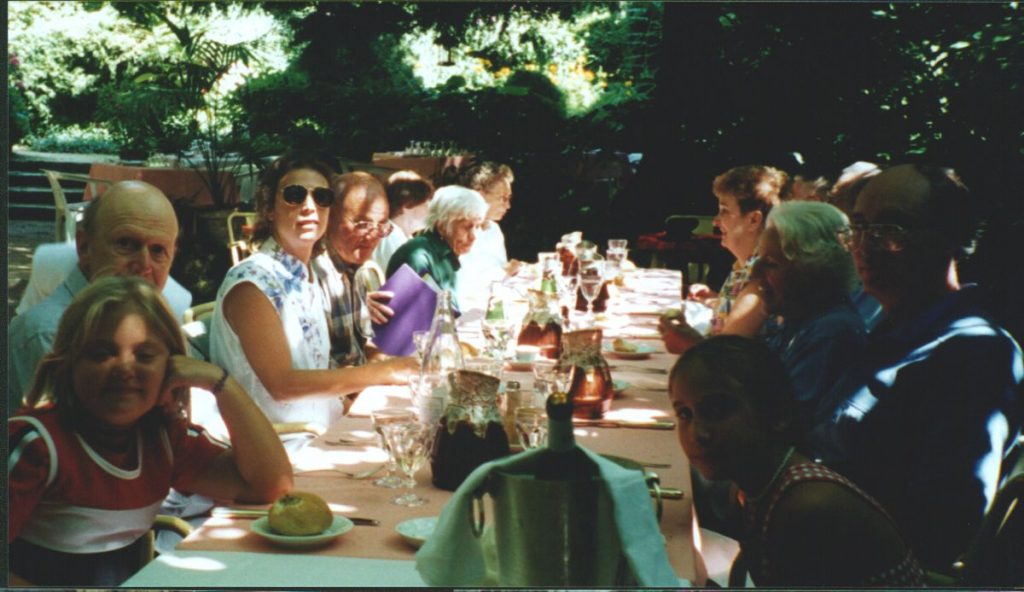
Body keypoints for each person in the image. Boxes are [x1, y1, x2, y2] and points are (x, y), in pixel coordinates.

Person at [8, 276, 292, 587]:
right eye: (101, 354)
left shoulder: (165, 441)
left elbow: (271, 484)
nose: (124, 368)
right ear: (68, 364)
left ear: (172, 368)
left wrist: (220, 383)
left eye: (145, 356)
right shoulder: (35, 446)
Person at [809, 164, 1023, 571]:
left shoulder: (974, 355)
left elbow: (944, 530)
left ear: (950, 242)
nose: (865, 245)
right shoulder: (886, 333)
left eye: (892, 228)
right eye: (859, 226)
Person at [669, 336, 923, 587]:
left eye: (716, 410)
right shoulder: (757, 486)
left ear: (778, 414)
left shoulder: (806, 508)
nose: (697, 433)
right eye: (684, 413)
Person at [208, 153, 418, 437]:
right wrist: (387, 371)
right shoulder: (252, 281)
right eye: (295, 195)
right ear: (269, 208)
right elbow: (283, 385)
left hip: (324, 428)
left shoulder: (304, 277)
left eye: (322, 198)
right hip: (284, 444)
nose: (310, 206)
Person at [8, 180, 181, 408]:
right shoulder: (52, 334)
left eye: (158, 250)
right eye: (126, 243)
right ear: (84, 247)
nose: (143, 264)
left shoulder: (144, 322)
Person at [750, 201, 866, 429]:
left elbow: (779, 424)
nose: (754, 273)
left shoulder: (831, 332)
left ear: (815, 271)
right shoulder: (797, 319)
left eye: (771, 264)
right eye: (758, 260)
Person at [659, 165, 785, 354]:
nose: (716, 221)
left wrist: (688, 342)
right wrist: (715, 300)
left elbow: (725, 358)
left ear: (753, 220)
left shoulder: (760, 281)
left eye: (724, 211)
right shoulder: (746, 265)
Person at [323, 171, 398, 367]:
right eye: (362, 224)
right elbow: (318, 369)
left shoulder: (353, 270)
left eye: (382, 225)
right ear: (329, 218)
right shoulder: (313, 276)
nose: (373, 236)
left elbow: (356, 352)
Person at [385, 185, 488, 311]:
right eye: (466, 226)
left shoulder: (447, 254)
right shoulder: (418, 256)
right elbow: (424, 316)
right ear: (442, 225)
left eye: (477, 226)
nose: (474, 236)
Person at [455, 161, 522, 309]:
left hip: (495, 305)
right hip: (468, 313)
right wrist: (505, 271)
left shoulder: (494, 229)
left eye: (509, 198)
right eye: (502, 198)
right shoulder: (457, 233)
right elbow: (463, 290)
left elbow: (501, 279)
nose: (508, 205)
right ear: (479, 195)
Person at [372, 170, 434, 271]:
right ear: (408, 203)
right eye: (426, 201)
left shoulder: (402, 235)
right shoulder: (391, 236)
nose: (430, 207)